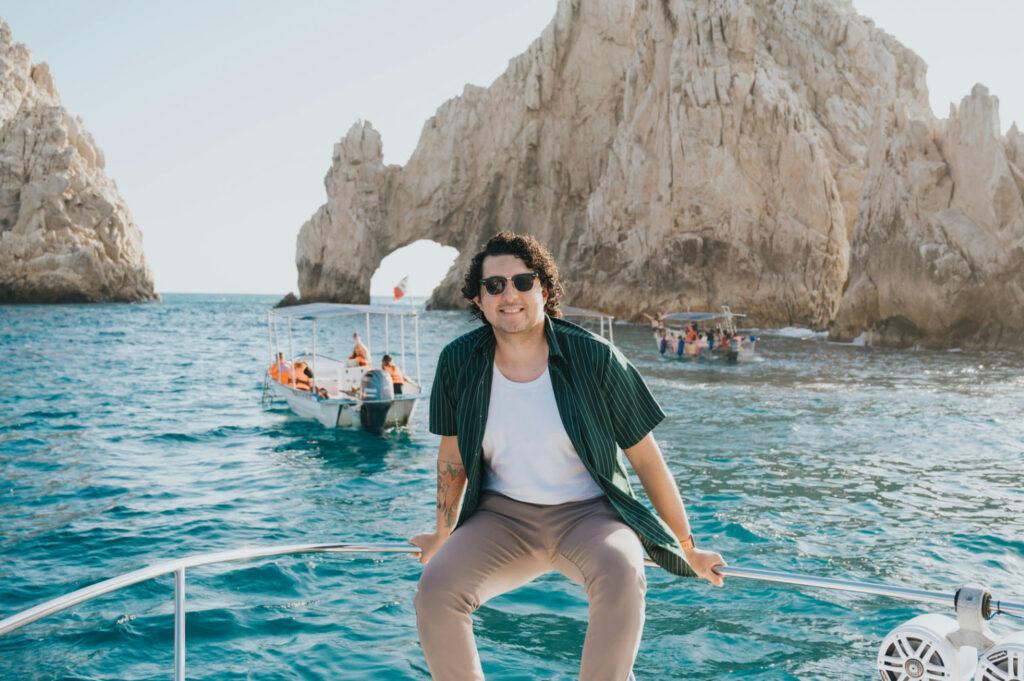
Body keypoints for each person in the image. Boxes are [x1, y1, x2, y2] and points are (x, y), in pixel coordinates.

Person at [409, 232, 725, 681]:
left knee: (623, 577)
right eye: (494, 286)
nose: (509, 294)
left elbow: (647, 460)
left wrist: (687, 548)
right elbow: (453, 458)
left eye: (522, 281)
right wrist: (443, 535)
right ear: (479, 300)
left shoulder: (596, 358)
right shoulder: (459, 361)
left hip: (591, 515)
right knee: (435, 590)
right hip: (502, 517)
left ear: (544, 290)